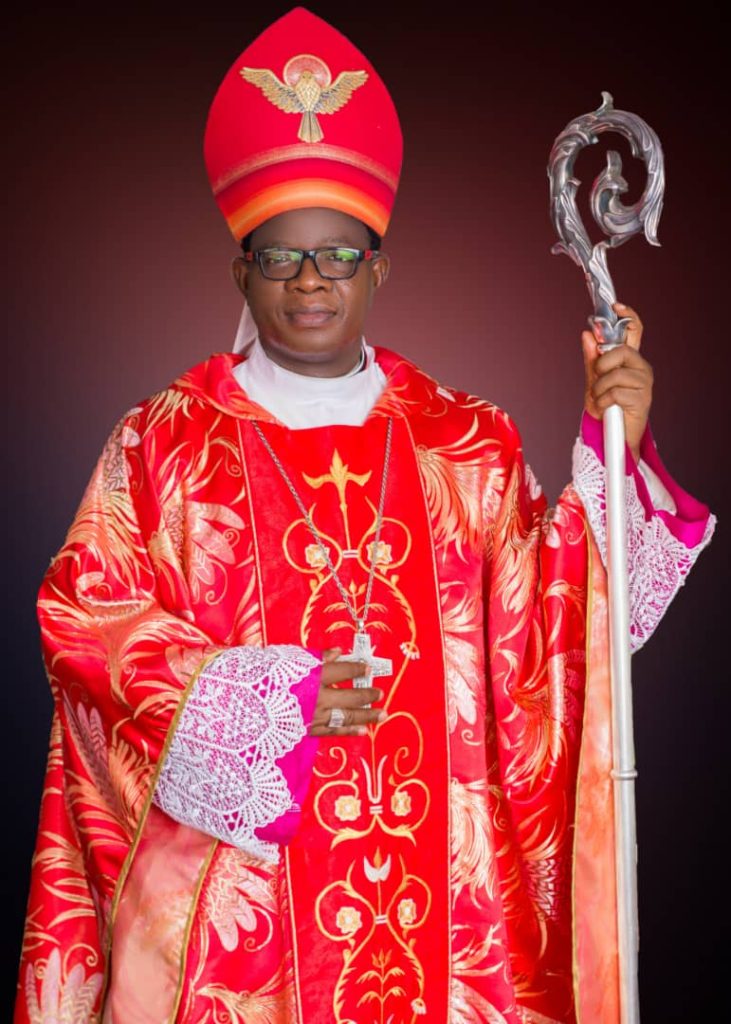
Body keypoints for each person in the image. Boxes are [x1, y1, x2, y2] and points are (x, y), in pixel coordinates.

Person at [16, 8, 715, 1023]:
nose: (310, 282)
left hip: (446, 931)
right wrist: (269, 702)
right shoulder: (164, 443)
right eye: (280, 257)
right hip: (249, 941)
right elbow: (84, 617)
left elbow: (556, 634)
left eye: (337, 256)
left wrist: (616, 447)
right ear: (240, 270)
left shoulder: (464, 443)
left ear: (376, 268)